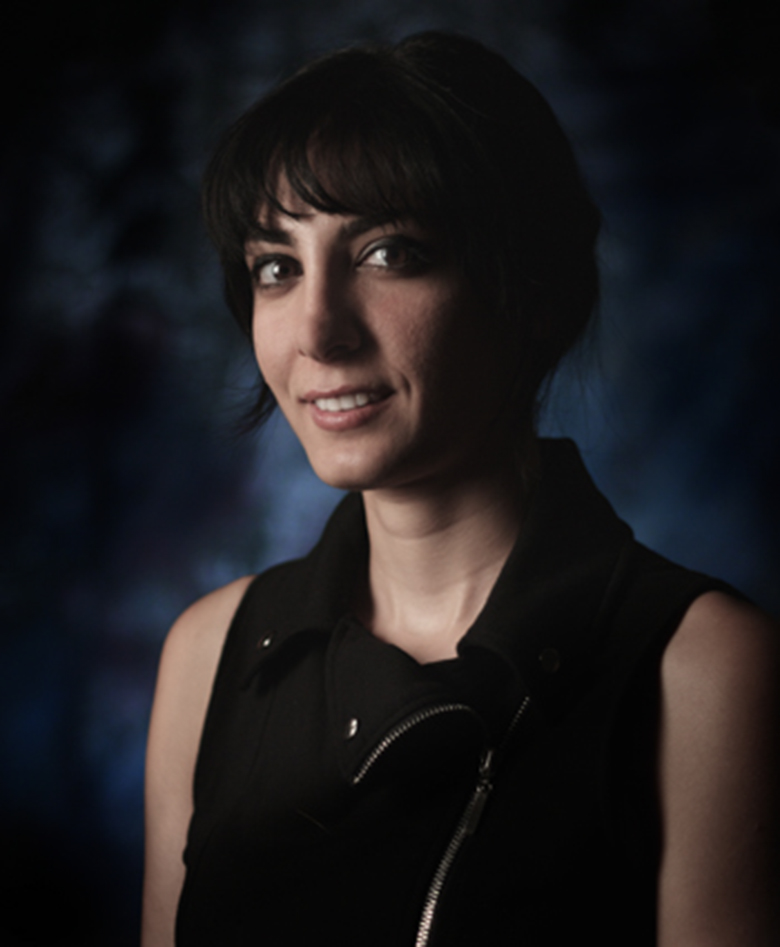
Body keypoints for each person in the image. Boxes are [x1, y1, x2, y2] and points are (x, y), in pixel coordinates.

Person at [141, 31, 779, 947]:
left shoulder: (706, 672)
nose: (317, 330)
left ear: (534, 292)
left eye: (388, 253)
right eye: (277, 266)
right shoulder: (210, 653)